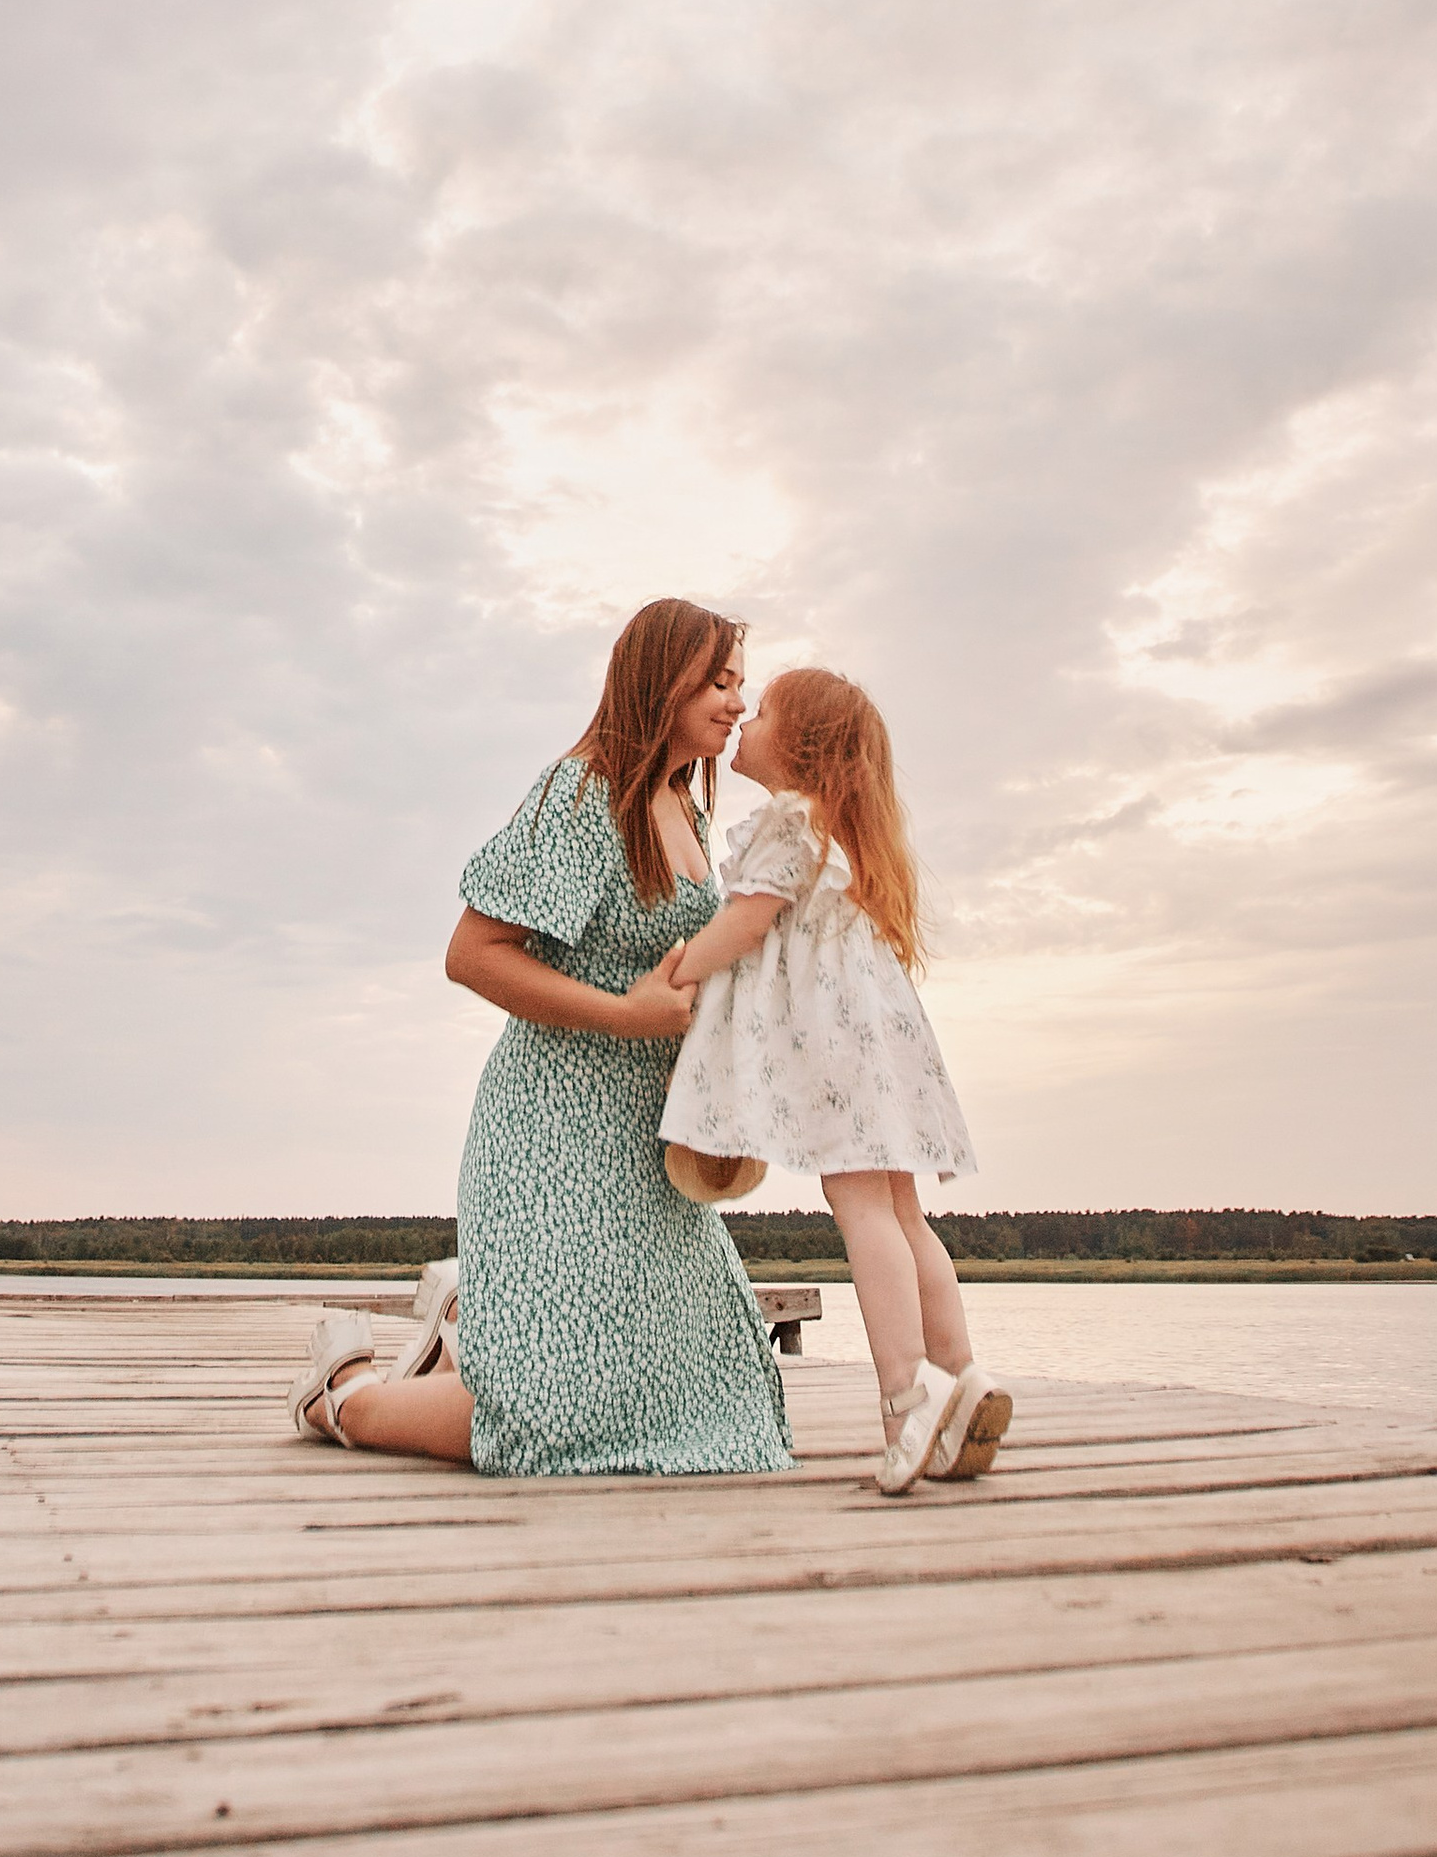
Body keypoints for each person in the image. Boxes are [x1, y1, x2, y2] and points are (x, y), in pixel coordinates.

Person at [289, 598, 792, 1476]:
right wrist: (627, 1016)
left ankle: (464, 1327)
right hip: (554, 1133)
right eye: (718, 681)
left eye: (740, 683)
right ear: (658, 678)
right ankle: (344, 1394)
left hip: (652, 1142)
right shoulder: (584, 791)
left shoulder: (688, 812)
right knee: (554, 1428)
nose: (737, 702)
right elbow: (472, 955)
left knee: (729, 1403)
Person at [662, 665, 1008, 1495]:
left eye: (766, 710)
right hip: (882, 1040)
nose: (747, 716)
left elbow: (743, 926)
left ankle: (904, 1402)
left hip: (837, 1045)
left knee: (860, 1213)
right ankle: (960, 1379)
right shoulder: (837, 833)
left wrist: (674, 971)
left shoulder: (789, 822)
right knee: (903, 1211)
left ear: (801, 746)